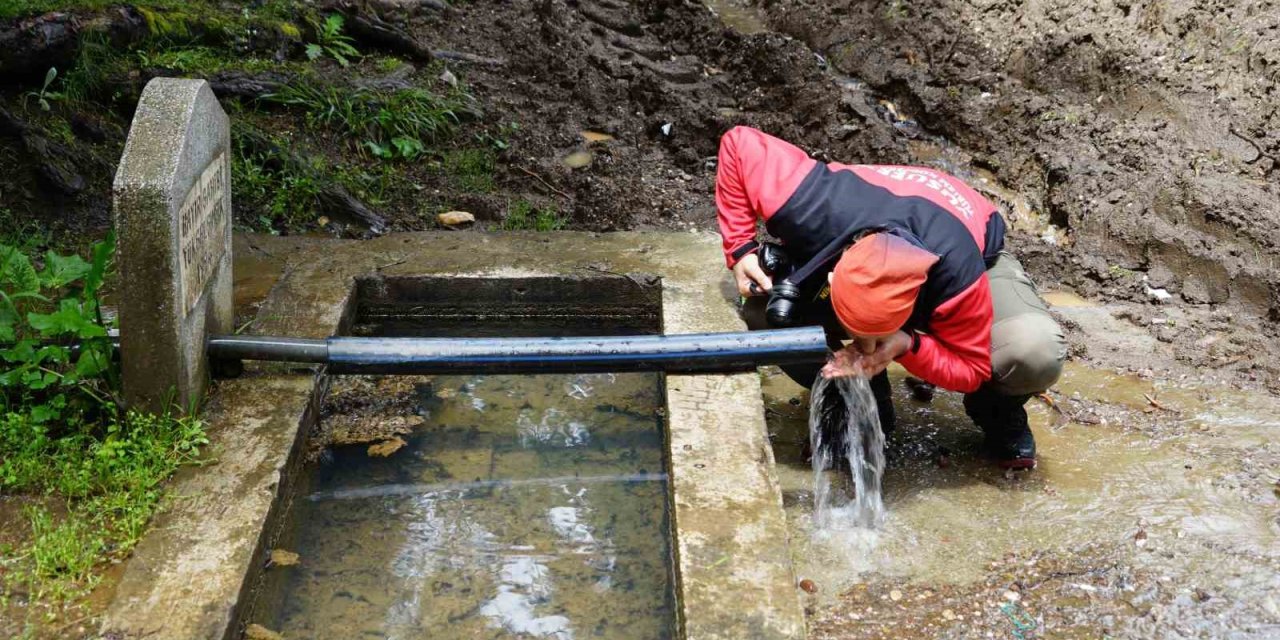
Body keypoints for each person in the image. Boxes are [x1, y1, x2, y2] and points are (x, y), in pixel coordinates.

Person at [714, 125, 1066, 469]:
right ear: (834, 277)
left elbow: (971, 368)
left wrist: (908, 345)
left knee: (1033, 351)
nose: (866, 346)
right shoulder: (806, 204)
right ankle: (854, 398)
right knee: (765, 312)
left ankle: (997, 409)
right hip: (860, 212)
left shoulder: (958, 278)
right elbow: (738, 143)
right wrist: (741, 247)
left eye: (873, 339)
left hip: (972, 248)